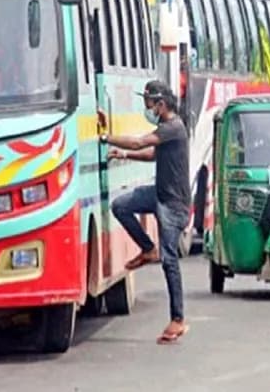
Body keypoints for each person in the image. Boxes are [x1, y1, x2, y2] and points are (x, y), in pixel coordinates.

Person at [100, 80, 190, 345]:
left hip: (173, 203)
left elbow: (140, 143)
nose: (147, 109)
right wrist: (123, 155)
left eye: (149, 104)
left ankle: (178, 319)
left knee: (170, 261)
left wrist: (105, 138)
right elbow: (151, 155)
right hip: (159, 194)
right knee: (121, 206)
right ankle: (148, 248)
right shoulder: (166, 130)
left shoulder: (173, 127)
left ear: (161, 105)